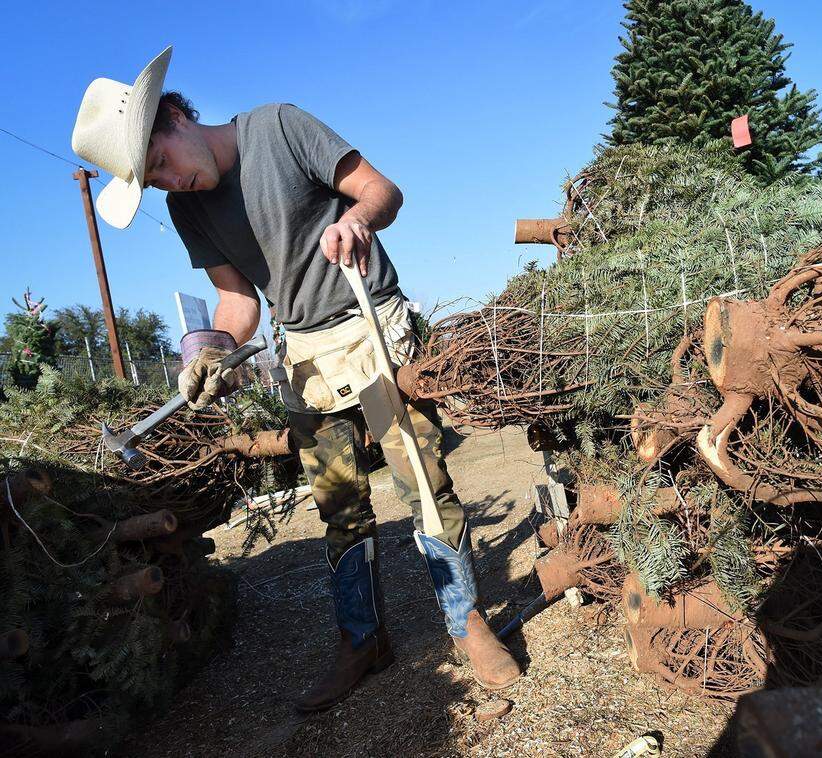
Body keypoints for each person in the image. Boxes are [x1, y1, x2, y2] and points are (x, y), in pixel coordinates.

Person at [71, 46, 521, 712]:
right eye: (153, 181)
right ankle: (363, 642)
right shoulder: (188, 210)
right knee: (339, 504)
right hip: (307, 355)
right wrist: (211, 352)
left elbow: (382, 189)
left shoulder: (278, 128)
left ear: (174, 117)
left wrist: (355, 219)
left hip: (371, 327)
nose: (167, 184)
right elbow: (239, 302)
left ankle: (466, 623)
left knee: (421, 479)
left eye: (160, 164)